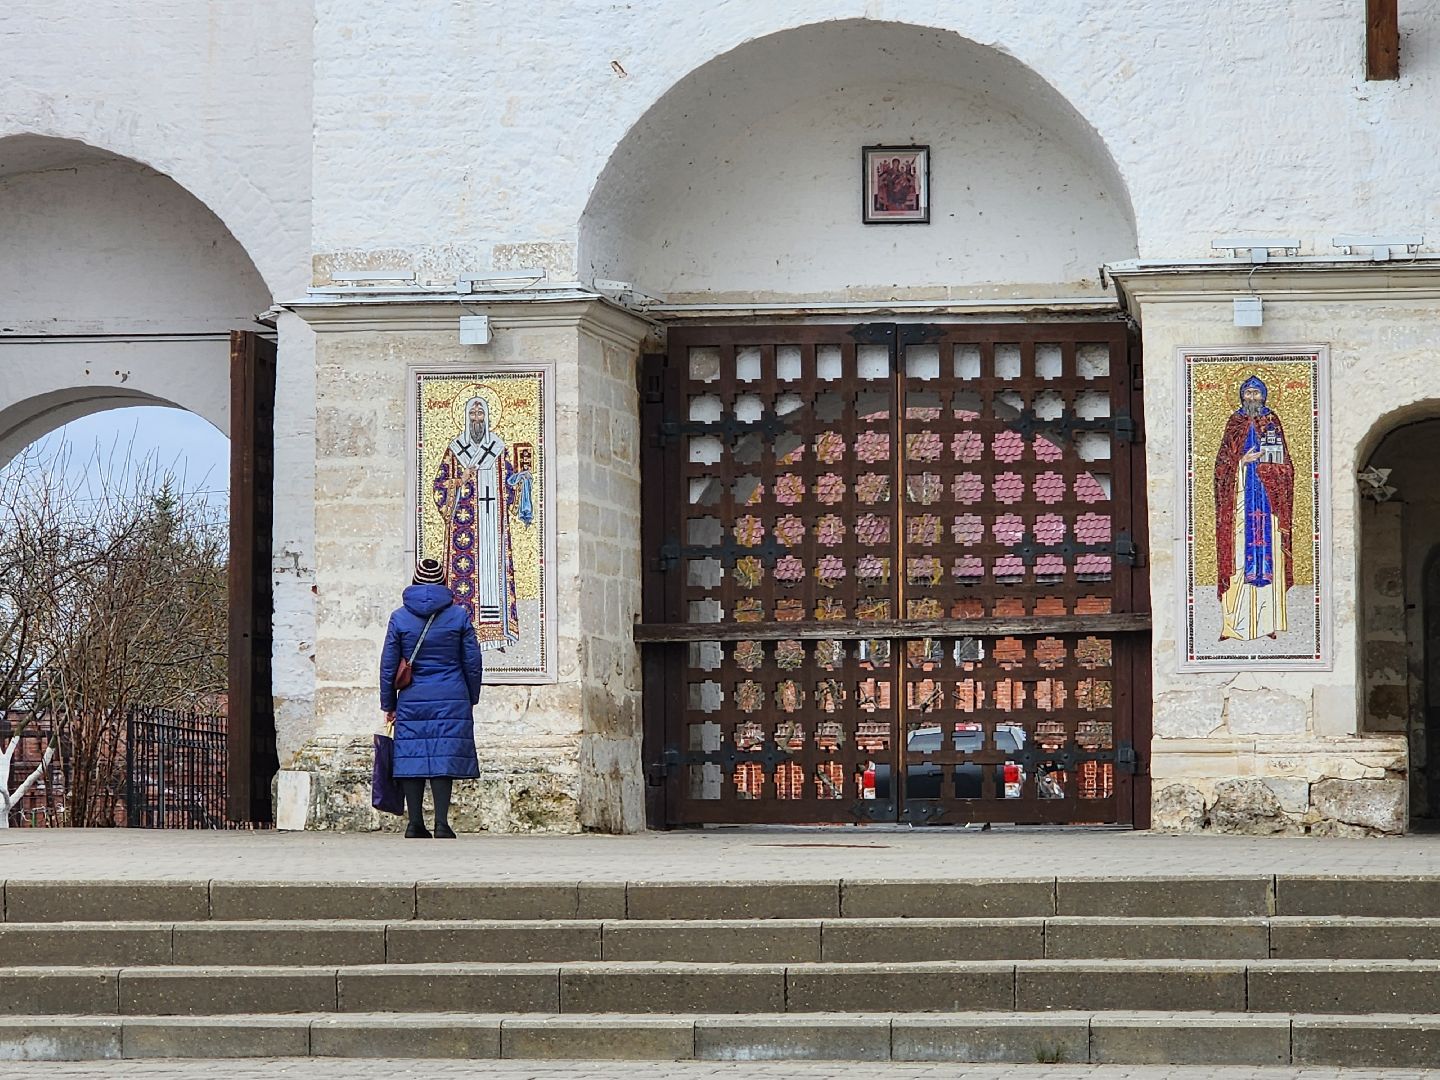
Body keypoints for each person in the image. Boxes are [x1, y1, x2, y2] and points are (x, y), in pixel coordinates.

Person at [379, 557, 482, 838]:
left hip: (412, 696)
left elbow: (388, 665)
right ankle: (441, 824)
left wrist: (388, 704)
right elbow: (472, 661)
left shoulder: (399, 617)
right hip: (451, 694)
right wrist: (471, 696)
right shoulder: (458, 616)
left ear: (414, 582)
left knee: (411, 756)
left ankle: (414, 824)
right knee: (442, 757)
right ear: (443, 583)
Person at [432, 395, 522, 649]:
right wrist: (461, 479)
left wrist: (520, 482)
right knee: (466, 576)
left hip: (492, 522)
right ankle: (464, 631)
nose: (476, 419)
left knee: (493, 571)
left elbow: (509, 483)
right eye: (472, 414)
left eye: (480, 414)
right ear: (465, 417)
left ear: (487, 417)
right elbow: (439, 487)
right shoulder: (455, 450)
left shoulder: (498, 449)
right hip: (465, 527)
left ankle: (497, 633)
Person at [1213, 374, 1294, 641]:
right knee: (1237, 556)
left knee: (1270, 557)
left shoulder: (1272, 421)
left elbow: (1287, 467)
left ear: (1264, 395)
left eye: (1256, 393)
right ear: (1241, 395)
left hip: (1269, 503)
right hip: (1239, 501)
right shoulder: (1234, 423)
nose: (1252, 398)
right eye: (1247, 393)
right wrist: (1242, 462)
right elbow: (1221, 467)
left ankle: (1268, 623)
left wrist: (1271, 467)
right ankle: (1232, 625)